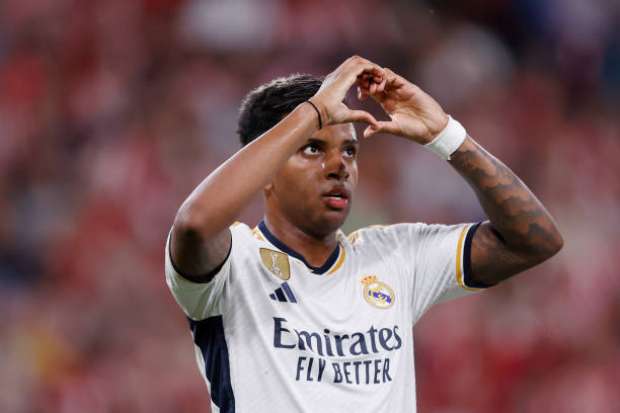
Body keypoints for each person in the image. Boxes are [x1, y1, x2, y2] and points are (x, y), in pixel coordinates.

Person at [164, 56, 563, 413]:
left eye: (349, 151)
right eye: (313, 148)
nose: (339, 165)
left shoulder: (394, 256)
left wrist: (445, 136)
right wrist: (315, 110)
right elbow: (194, 224)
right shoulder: (234, 264)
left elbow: (534, 240)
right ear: (265, 170)